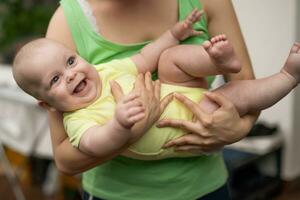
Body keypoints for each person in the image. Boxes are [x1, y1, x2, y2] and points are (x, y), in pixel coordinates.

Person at [45, 0, 259, 199]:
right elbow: (65, 160)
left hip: (206, 188)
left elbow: (246, 86)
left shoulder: (207, 3)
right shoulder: (67, 21)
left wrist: (240, 129)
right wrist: (130, 133)